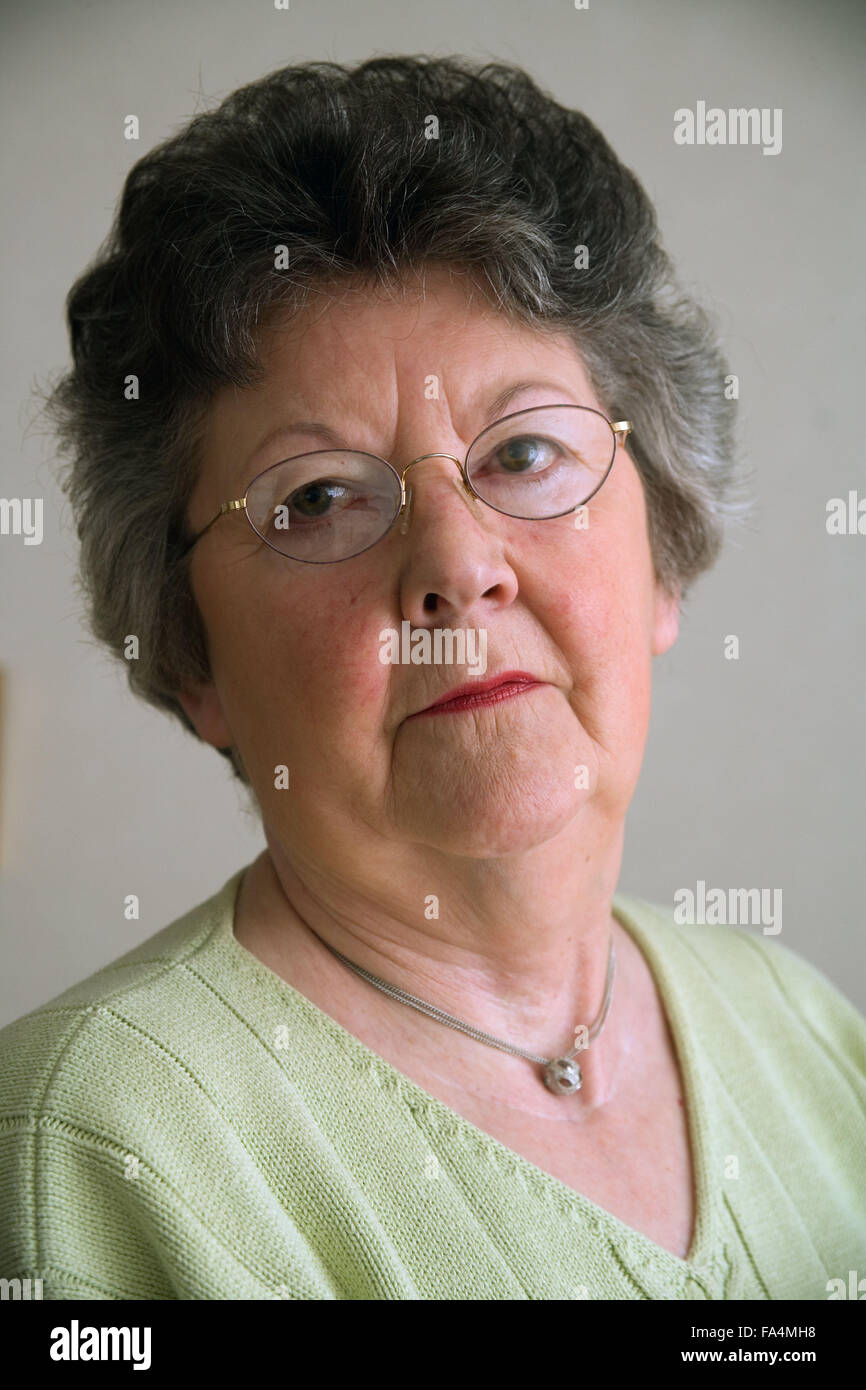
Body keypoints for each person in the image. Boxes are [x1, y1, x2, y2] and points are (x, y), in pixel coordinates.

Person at [1, 55, 863, 1301]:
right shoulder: (94, 1151)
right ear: (194, 659)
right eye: (316, 499)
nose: (457, 568)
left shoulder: (802, 1023)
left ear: (661, 551)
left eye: (521, 451)